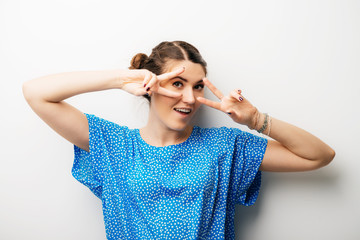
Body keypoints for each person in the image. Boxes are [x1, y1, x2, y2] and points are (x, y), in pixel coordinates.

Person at [22, 40, 335, 240]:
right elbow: (37, 94)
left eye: (198, 86)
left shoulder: (224, 146)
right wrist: (121, 79)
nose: (190, 97)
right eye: (177, 83)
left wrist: (255, 120)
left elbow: (318, 156)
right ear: (150, 84)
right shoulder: (115, 145)